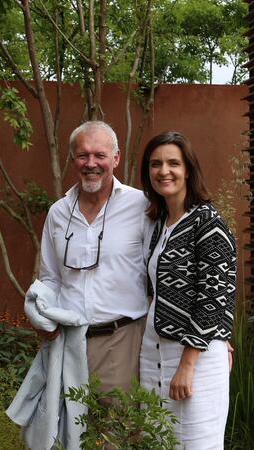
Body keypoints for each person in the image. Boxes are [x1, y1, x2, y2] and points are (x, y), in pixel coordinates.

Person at [34, 120, 149, 391]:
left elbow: (162, 272)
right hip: (66, 342)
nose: (91, 163)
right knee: (65, 430)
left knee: (118, 430)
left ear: (116, 158)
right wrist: (42, 315)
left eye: (100, 155)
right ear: (72, 158)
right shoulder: (58, 213)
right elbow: (50, 276)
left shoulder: (141, 207)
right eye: (83, 155)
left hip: (121, 342)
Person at [139, 131, 237, 449]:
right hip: (154, 356)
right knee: (159, 441)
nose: (163, 171)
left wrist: (188, 363)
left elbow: (214, 296)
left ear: (188, 170)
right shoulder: (158, 225)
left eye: (173, 163)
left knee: (197, 442)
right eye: (155, 164)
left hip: (194, 360)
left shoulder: (208, 223)